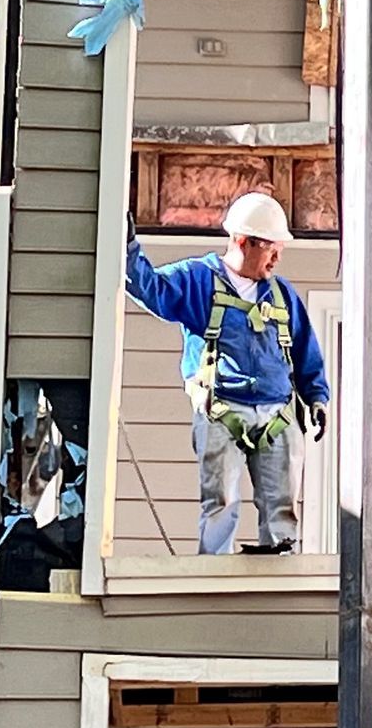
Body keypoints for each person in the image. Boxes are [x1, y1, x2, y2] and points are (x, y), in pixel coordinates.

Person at [126, 192, 330, 555]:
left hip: (277, 416)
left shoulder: (282, 296)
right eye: (270, 247)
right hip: (222, 412)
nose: (277, 257)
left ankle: (281, 581)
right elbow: (151, 289)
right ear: (242, 241)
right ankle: (213, 582)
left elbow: (304, 351)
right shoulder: (198, 280)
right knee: (219, 504)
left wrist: (317, 398)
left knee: (281, 509)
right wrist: (126, 248)